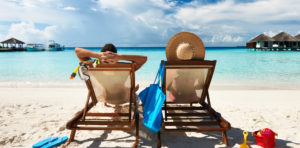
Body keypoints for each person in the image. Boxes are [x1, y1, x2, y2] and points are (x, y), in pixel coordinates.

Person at [75, 43, 147, 105]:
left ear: (101, 54)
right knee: (122, 86)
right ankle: (132, 90)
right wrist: (119, 57)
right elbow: (144, 59)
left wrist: (97, 55)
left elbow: (77, 51)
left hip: (106, 98)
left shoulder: (94, 67)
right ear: (115, 53)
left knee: (113, 84)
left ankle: (130, 89)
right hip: (124, 98)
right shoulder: (125, 68)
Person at [165, 32, 206, 103]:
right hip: (192, 98)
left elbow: (166, 87)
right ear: (193, 54)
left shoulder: (171, 68)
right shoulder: (199, 67)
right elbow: (201, 85)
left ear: (177, 53)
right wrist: (190, 86)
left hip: (175, 98)